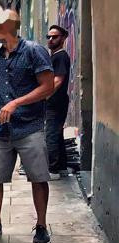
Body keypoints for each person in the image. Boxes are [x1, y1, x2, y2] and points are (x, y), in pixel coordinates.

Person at [0, 9, 54, 243]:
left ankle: (41, 225)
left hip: (29, 125)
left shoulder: (33, 51)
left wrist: (16, 102)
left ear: (8, 28)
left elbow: (47, 87)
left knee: (38, 178)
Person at [45, 24, 72, 178]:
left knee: (51, 135)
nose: (51, 39)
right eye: (49, 37)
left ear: (63, 38)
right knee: (57, 133)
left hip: (55, 102)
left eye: (54, 37)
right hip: (56, 101)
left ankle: (53, 169)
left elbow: (58, 80)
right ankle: (61, 167)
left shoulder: (60, 56)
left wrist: (44, 96)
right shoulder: (55, 56)